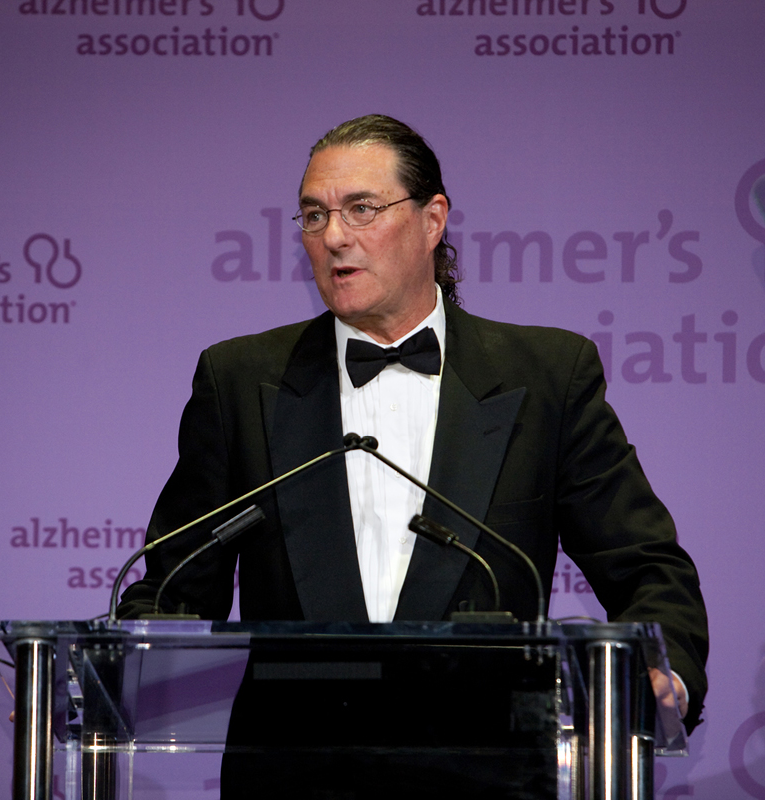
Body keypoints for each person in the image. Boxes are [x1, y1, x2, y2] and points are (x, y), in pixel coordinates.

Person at [118, 113, 708, 748]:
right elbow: (173, 587)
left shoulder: (545, 378)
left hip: (486, 770)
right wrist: (99, 678)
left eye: (362, 209)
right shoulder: (238, 381)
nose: (335, 236)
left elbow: (645, 566)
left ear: (433, 221)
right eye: (313, 216)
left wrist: (662, 669)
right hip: (297, 774)